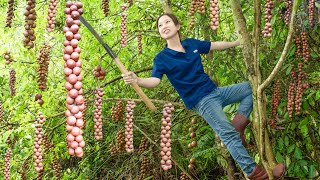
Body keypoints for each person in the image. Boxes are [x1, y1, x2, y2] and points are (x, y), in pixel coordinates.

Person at [122, 13, 285, 179]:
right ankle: (256, 174)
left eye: (167, 22)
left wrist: (237, 42)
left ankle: (239, 123)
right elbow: (154, 81)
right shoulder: (162, 58)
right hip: (202, 101)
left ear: (177, 26)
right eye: (159, 25)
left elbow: (214, 45)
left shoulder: (191, 44)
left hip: (215, 92)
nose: (163, 26)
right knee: (228, 135)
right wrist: (137, 79)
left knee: (252, 87)